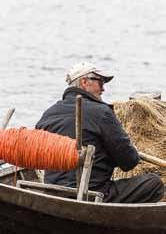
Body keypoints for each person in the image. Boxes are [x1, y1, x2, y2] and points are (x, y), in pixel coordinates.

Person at [35, 62, 164, 203]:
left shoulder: (48, 114)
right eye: (100, 82)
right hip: (93, 195)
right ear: (84, 82)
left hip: (52, 192)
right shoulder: (102, 113)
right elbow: (129, 162)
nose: (103, 89)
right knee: (154, 183)